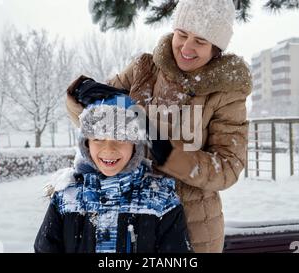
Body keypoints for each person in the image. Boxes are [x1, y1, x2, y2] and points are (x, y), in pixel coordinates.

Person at [66, 0, 252, 252]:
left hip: (192, 226)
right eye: (182, 34)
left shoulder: (226, 93)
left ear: (216, 48)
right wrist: (84, 96)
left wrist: (168, 153)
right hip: (128, 216)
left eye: (200, 40)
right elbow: (96, 126)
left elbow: (227, 168)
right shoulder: (143, 69)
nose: (186, 47)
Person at [34, 91, 192, 253]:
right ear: (86, 143)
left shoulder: (161, 200)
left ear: (135, 145)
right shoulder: (67, 198)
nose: (109, 148)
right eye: (98, 138)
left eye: (121, 138)